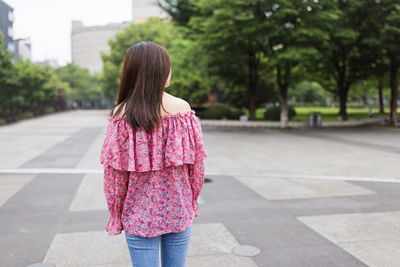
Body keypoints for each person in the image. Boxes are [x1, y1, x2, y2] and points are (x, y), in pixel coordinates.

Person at [100, 41, 208, 267]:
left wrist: (116, 214)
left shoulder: (121, 115)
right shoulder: (183, 111)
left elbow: (115, 178)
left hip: (138, 217)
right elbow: (196, 168)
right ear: (161, 71)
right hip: (179, 210)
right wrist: (193, 200)